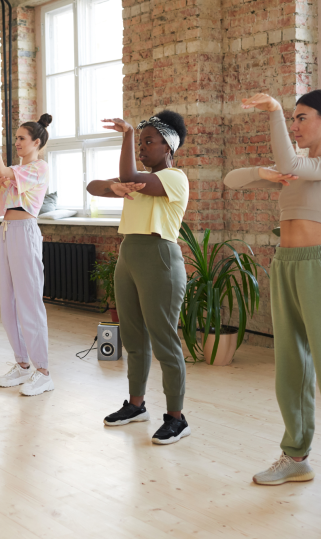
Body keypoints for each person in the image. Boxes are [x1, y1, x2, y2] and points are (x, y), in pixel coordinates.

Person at [224, 90, 321, 516]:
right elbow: (232, 180)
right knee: (291, 365)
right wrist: (263, 175)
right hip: (286, 265)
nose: (294, 126)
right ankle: (296, 457)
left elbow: (291, 164)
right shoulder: (298, 167)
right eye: (290, 118)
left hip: (319, 267)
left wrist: (271, 112)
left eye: (301, 118)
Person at [87, 110, 190, 445]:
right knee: (132, 336)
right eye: (140, 141)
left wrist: (128, 133)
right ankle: (136, 405)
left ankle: (176, 417)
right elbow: (93, 186)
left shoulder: (174, 179)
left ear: (168, 146)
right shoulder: (136, 181)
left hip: (159, 257)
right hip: (128, 254)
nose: (143, 148)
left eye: (149, 142)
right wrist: (114, 187)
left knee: (164, 340)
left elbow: (129, 172)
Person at [0, 114, 54, 396]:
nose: (17, 142)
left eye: (21, 138)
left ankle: (42, 371)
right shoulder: (13, 171)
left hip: (25, 231)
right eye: (15, 138)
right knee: (7, 304)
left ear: (36, 142)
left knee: (29, 302)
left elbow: (1, 172)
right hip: (5, 231)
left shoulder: (39, 168)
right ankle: (22, 365)